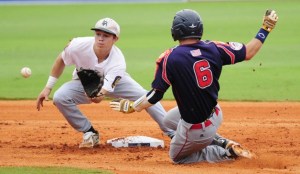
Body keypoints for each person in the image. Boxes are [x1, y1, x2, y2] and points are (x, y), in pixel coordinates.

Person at [109, 9, 278, 163]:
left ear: (176, 31)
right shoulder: (214, 48)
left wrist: (133, 106)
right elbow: (249, 52)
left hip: (197, 129)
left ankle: (226, 153)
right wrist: (265, 28)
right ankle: (220, 140)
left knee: (177, 158)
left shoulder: (170, 58)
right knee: (168, 121)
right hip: (215, 114)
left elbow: (155, 95)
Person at [36, 17, 175, 148]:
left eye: (106, 35)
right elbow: (61, 60)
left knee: (146, 97)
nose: (100, 39)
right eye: (98, 34)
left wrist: (95, 95)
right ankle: (89, 132)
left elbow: (99, 98)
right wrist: (48, 88)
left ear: (115, 39)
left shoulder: (118, 63)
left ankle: (174, 134)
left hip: (117, 82)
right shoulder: (77, 45)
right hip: (84, 82)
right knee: (60, 97)